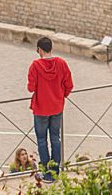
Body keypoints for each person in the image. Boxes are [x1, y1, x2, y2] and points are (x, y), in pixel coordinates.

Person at [27, 36, 75, 182]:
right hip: (57, 107)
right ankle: (55, 170)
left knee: (42, 140)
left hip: (41, 108)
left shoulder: (35, 65)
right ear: (51, 48)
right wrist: (61, 96)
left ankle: (46, 171)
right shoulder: (62, 63)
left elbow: (30, 88)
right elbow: (69, 85)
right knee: (56, 138)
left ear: (39, 50)